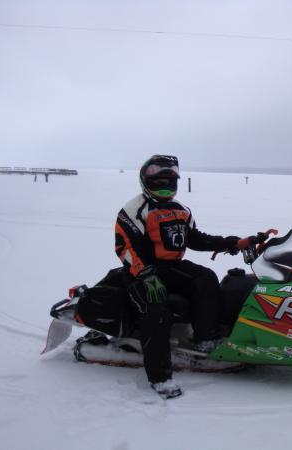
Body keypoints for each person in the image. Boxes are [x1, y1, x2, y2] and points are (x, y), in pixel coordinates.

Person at [115, 155, 241, 399]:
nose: (165, 188)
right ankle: (160, 378)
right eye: (159, 182)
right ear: (146, 182)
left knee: (206, 278)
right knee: (156, 308)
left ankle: (206, 338)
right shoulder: (134, 210)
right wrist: (145, 275)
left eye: (169, 183)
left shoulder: (180, 210)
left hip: (171, 267)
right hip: (141, 271)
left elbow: (196, 239)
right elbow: (125, 248)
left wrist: (232, 243)